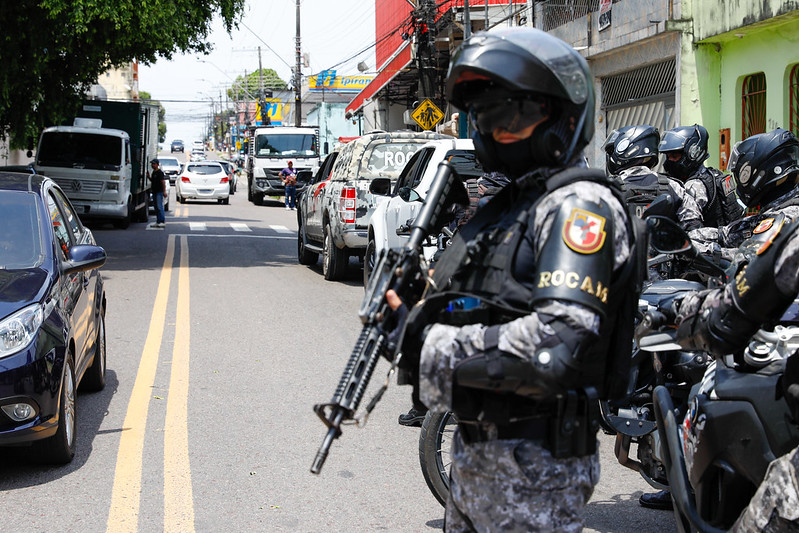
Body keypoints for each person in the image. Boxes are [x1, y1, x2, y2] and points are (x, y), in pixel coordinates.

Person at [387, 27, 646, 530]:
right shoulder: (517, 207)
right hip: (475, 455)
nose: (496, 133)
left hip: (535, 471)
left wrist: (432, 348)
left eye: (514, 118)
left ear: (562, 117)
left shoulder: (577, 208)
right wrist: (413, 316)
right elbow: (490, 310)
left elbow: (556, 347)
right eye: (487, 119)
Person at [667, 128, 799, 530]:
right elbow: (730, 235)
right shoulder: (777, 211)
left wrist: (682, 311)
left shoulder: (785, 221)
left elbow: (742, 293)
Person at [604, 124, 702, 231]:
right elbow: (694, 229)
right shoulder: (674, 187)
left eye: (611, 152)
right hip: (664, 246)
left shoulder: (608, 189)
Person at [659, 124, 745, 227]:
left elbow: (688, 228)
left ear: (693, 153)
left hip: (704, 241)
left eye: (674, 156)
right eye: (668, 157)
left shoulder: (693, 186)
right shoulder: (715, 175)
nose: (670, 161)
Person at [147, 159, 166, 229]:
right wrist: (149, 177)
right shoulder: (154, 172)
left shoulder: (159, 172)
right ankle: (158, 221)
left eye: (154, 164)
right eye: (152, 164)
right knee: (156, 207)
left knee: (159, 206)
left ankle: (162, 221)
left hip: (159, 192)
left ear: (157, 164)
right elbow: (153, 180)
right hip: (154, 191)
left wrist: (164, 191)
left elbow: (163, 182)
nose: (153, 165)